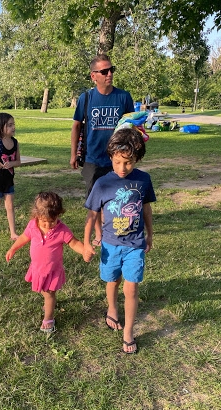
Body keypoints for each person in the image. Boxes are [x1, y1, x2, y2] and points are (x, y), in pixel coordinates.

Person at [83, 128, 156, 354]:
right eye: (117, 162)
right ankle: (112, 309)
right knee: (112, 281)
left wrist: (150, 234)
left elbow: (146, 209)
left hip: (135, 244)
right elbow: (92, 214)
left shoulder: (144, 180)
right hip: (110, 245)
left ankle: (129, 332)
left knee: (131, 288)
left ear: (137, 159)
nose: (122, 168)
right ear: (111, 158)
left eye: (128, 163)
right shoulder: (102, 183)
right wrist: (87, 241)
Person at [71, 54, 134, 246]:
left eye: (111, 70)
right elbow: (76, 126)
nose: (109, 74)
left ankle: (115, 230)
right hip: (93, 158)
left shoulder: (123, 96)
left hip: (118, 158)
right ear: (93, 76)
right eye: (104, 71)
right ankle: (99, 235)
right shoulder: (86, 98)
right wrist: (73, 154)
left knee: (118, 198)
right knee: (95, 200)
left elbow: (131, 125)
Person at [6, 192, 84, 333]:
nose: (48, 225)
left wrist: (84, 250)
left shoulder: (62, 230)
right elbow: (24, 237)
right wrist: (13, 248)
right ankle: (49, 303)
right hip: (38, 268)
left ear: (58, 215)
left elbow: (74, 243)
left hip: (52, 271)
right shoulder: (32, 226)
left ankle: (49, 318)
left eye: (52, 221)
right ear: (36, 216)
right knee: (44, 291)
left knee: (48, 293)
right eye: (44, 221)